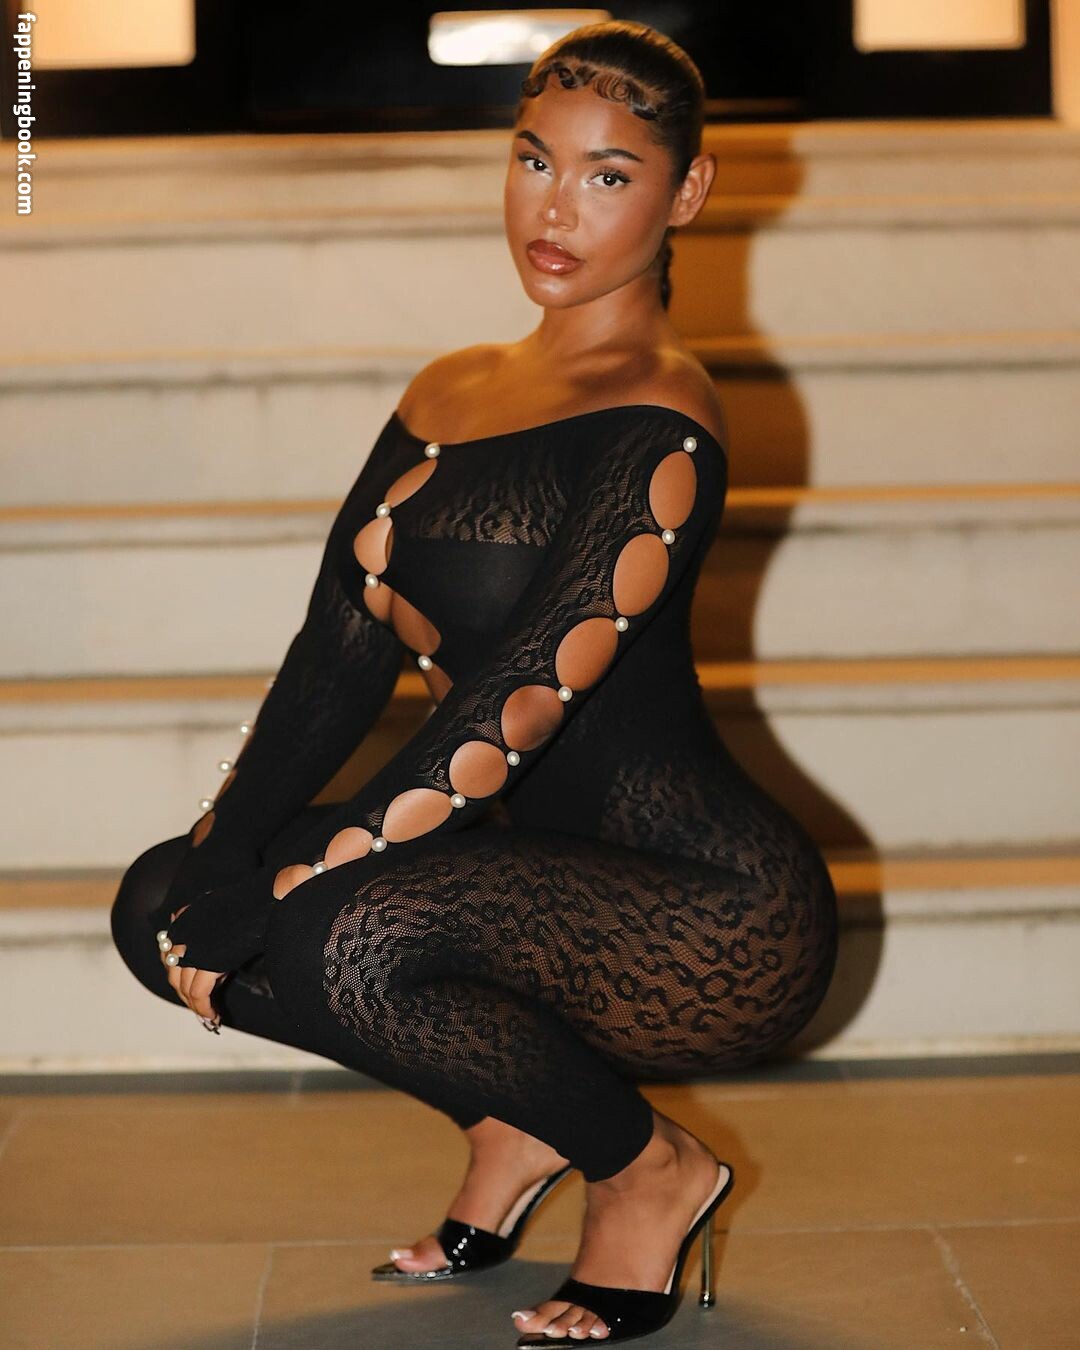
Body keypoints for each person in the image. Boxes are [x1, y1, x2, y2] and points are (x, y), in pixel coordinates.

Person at [110, 19, 838, 1346]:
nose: (556, 209)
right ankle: (516, 1114)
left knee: (335, 932)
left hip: (710, 912)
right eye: (535, 159)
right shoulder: (451, 389)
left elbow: (507, 712)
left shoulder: (664, 421)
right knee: (157, 902)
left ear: (685, 195)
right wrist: (224, 853)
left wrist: (291, 883)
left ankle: (647, 1170)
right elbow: (335, 660)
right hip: (528, 880)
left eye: (609, 175)